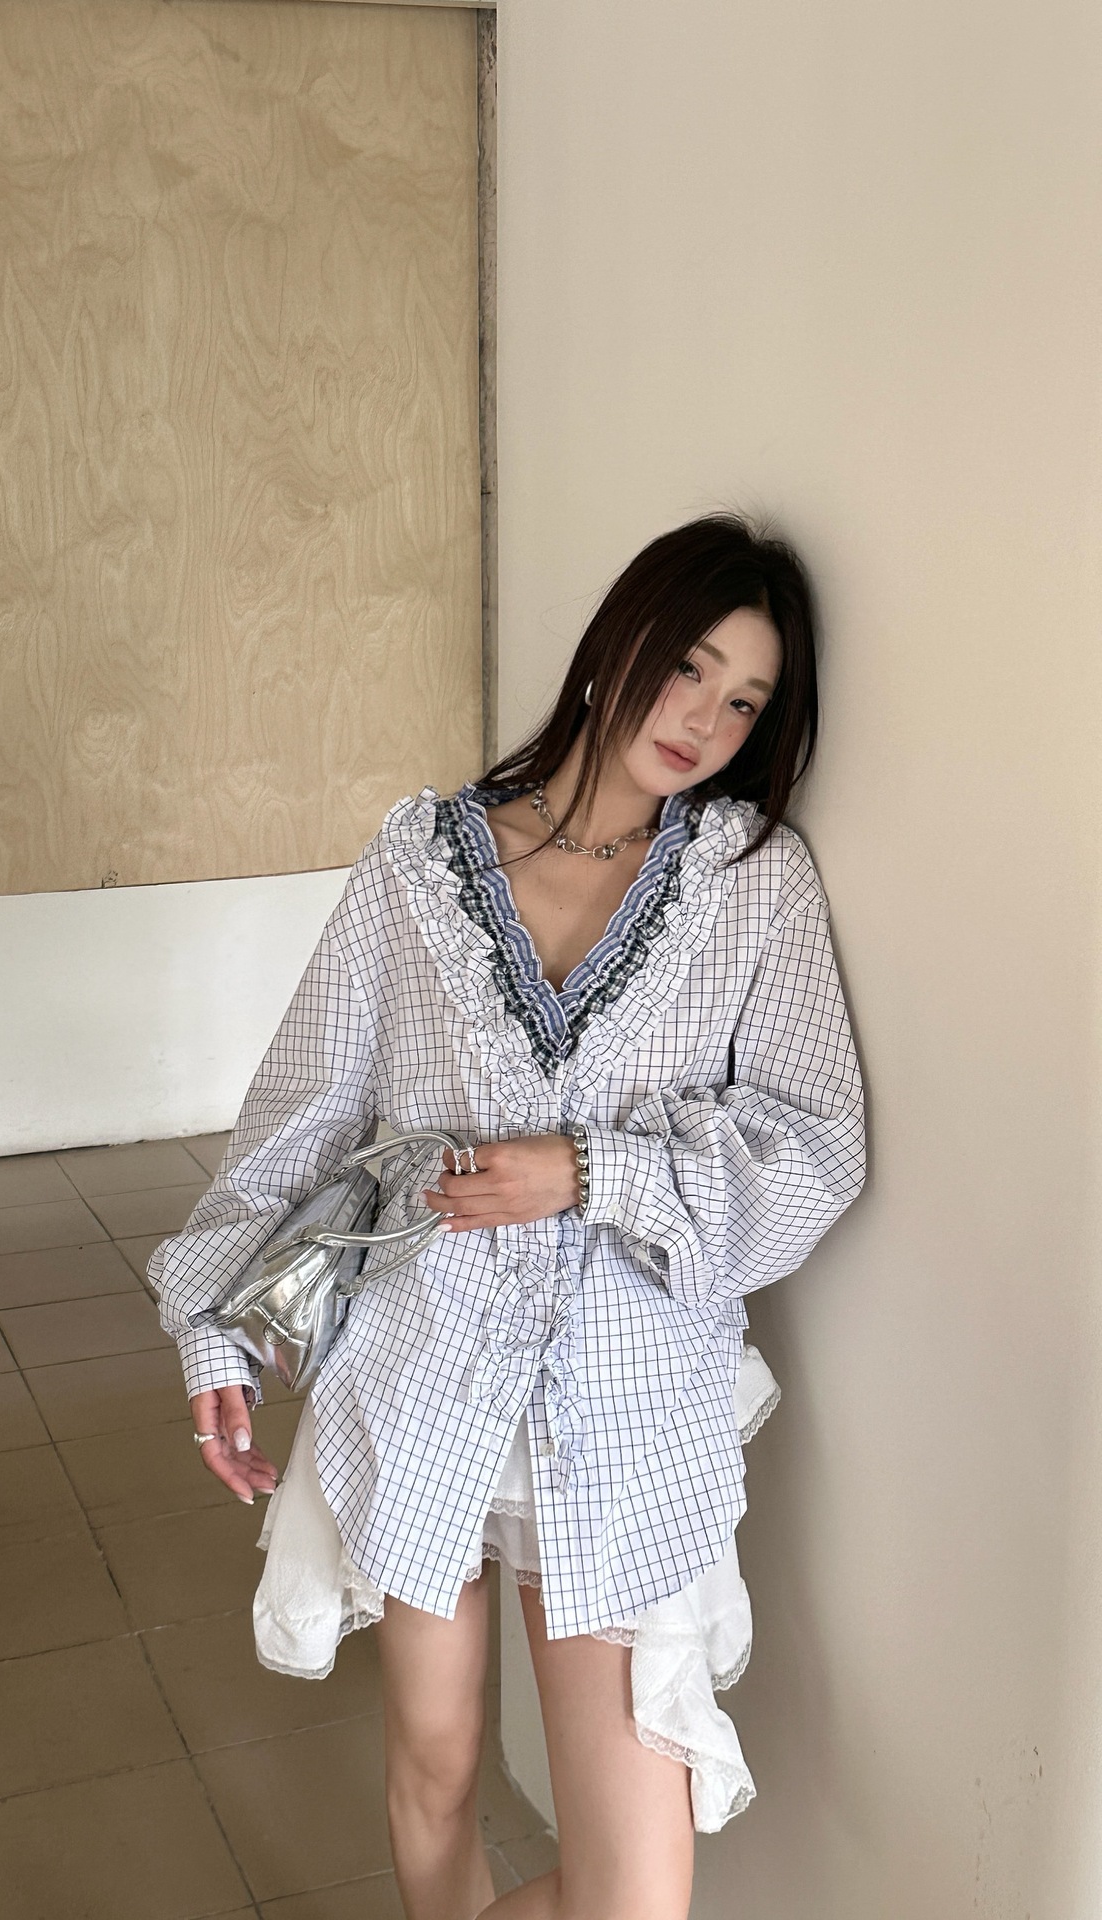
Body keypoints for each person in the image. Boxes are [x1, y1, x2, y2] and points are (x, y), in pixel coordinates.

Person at [150, 513, 865, 1920]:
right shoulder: (421, 863)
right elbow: (303, 1108)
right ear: (617, 648)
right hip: (418, 1365)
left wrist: (588, 1171)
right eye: (690, 668)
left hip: (622, 1407)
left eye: (745, 701)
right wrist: (213, 1329)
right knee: (433, 1769)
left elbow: (815, 1145)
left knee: (633, 1897)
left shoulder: (751, 883)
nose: (705, 719)